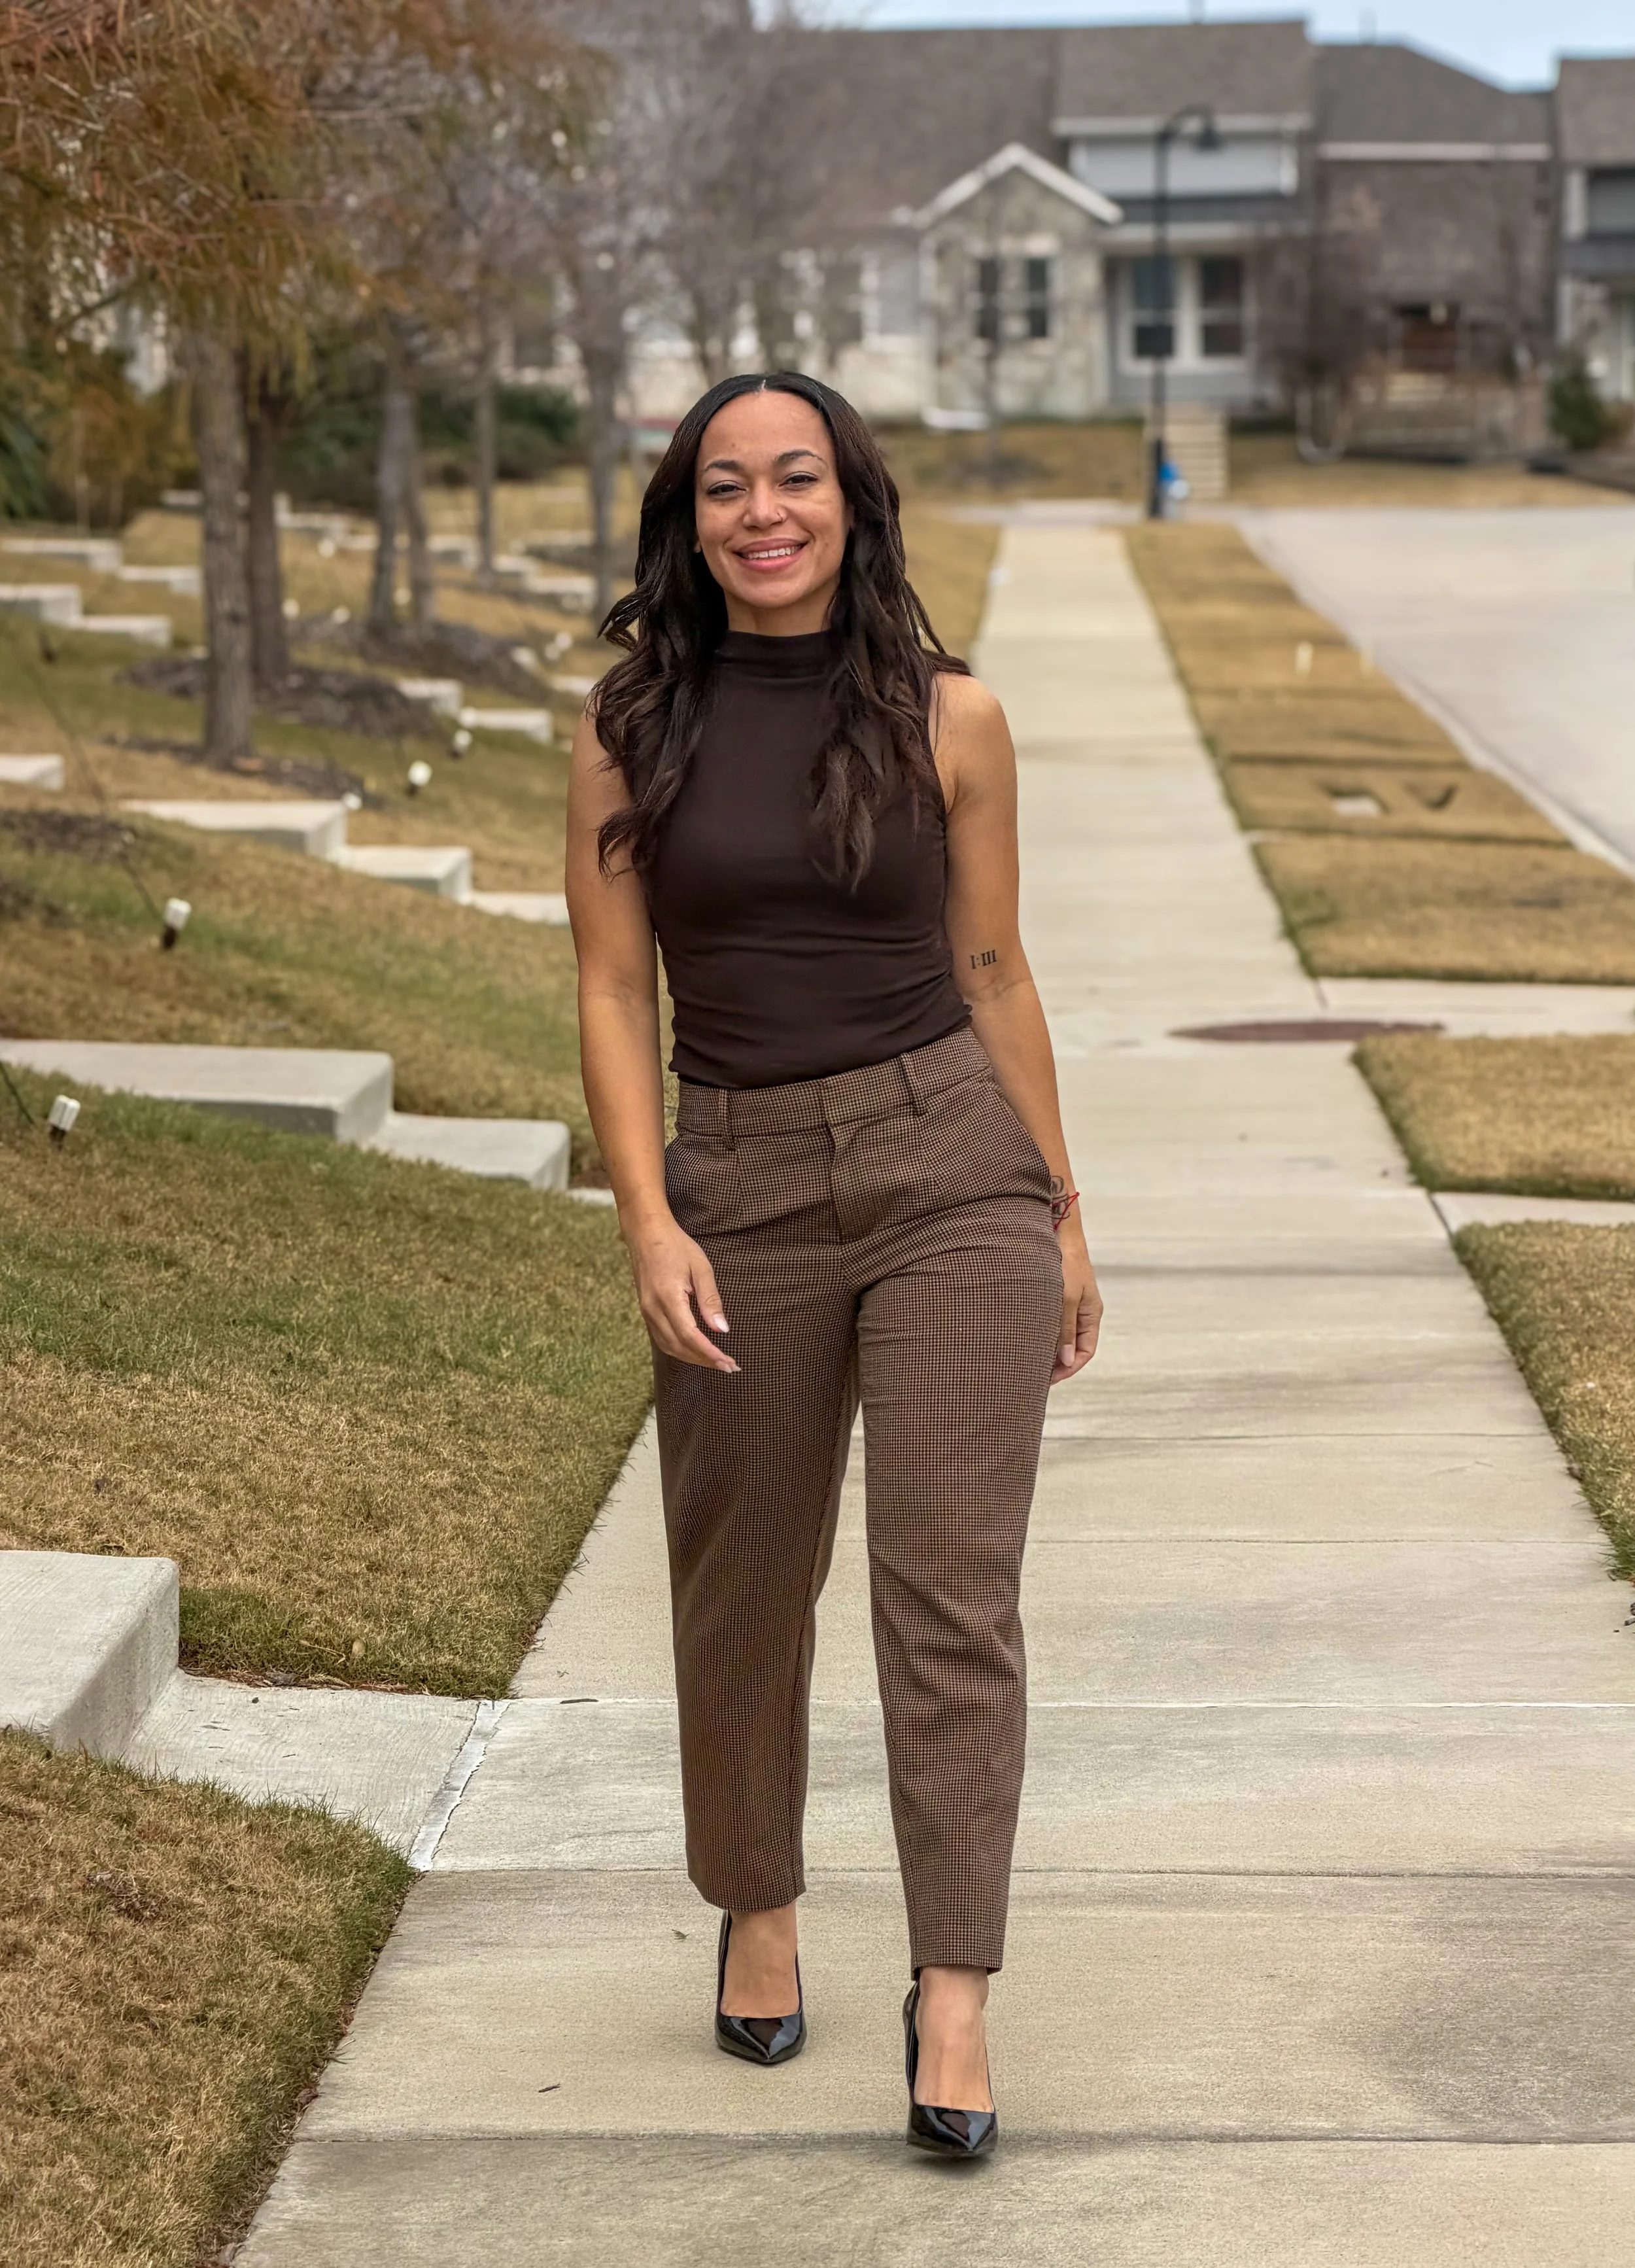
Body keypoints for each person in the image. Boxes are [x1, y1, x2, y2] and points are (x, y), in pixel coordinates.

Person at [566, 370, 1101, 2159]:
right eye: (727, 486)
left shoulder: (951, 718)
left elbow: (998, 972)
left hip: (951, 1168)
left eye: (797, 478)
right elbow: (607, 992)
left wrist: (1060, 1207)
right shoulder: (627, 726)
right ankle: (761, 1896)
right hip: (737, 1179)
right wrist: (648, 1220)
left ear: (854, 504)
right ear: (688, 518)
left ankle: (951, 1993)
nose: (763, 513)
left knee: (950, 1589)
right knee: (744, 1573)